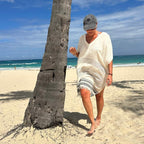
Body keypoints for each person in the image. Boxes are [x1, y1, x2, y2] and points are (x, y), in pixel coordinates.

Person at [69, 14, 113, 135]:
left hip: (100, 72)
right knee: (84, 92)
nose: (89, 30)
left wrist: (110, 74)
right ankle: (93, 122)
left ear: (96, 25)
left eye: (91, 28)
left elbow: (109, 57)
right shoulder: (82, 38)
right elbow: (81, 55)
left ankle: (98, 117)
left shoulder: (104, 37)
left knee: (99, 96)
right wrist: (74, 53)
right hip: (84, 71)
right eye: (87, 28)